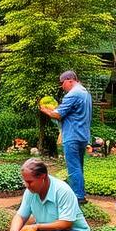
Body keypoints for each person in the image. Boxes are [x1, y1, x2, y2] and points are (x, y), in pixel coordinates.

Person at [39, 70, 92, 204]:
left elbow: (58, 114)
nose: (62, 87)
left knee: (73, 168)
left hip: (72, 136)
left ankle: (78, 197)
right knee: (78, 166)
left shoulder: (73, 94)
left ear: (70, 80)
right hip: (83, 135)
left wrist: (46, 110)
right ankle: (79, 193)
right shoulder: (85, 93)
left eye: (63, 83)